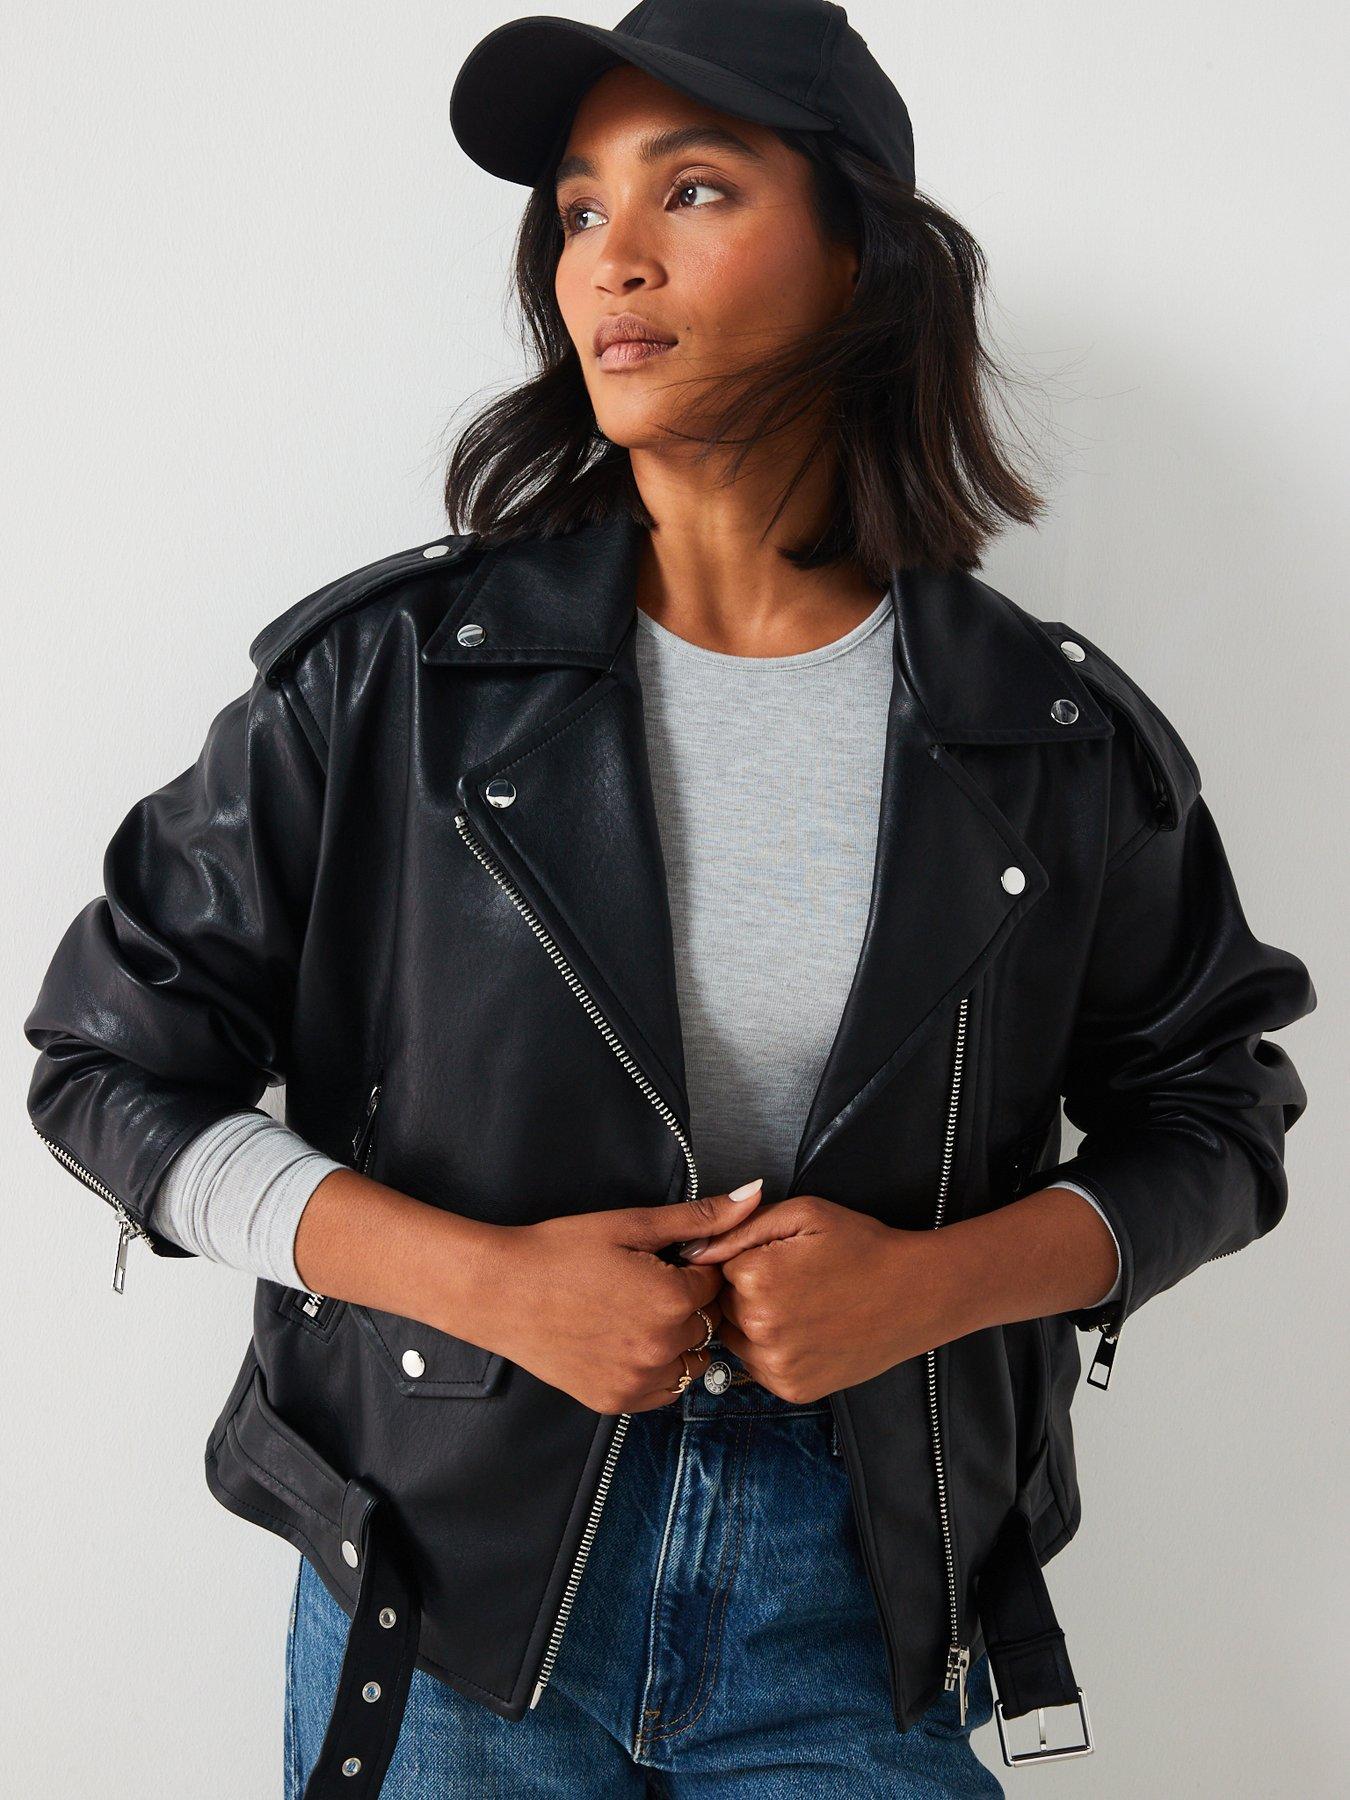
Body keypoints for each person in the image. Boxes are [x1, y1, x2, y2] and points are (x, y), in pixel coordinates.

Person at [24, 2, 1317, 1795]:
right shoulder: (393, 682)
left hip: (863, 1598)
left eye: (691, 189)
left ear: (860, 253)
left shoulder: (1043, 735)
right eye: (576, 209)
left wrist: (932, 1287)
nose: (608, 260)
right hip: (446, 1585)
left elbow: (1217, 1114)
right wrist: (484, 1284)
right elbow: (105, 1067)